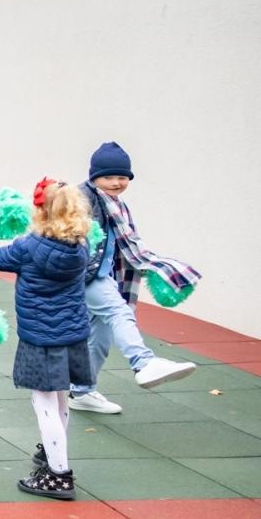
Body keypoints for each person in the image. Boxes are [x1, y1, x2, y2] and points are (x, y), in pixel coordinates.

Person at [0, 179, 92, 500]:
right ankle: (53, 457)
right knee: (61, 397)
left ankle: (59, 475)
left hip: (41, 337)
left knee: (43, 402)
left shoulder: (31, 247)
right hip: (72, 333)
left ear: (41, 211)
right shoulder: (81, 245)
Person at [68, 142, 198, 414]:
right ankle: (143, 362)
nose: (116, 182)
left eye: (122, 177)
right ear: (94, 177)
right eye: (108, 177)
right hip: (86, 275)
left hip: (102, 273)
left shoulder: (114, 203)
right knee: (119, 313)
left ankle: (80, 391)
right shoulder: (83, 198)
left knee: (99, 339)